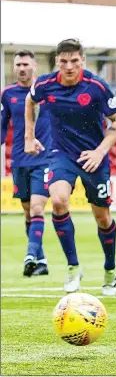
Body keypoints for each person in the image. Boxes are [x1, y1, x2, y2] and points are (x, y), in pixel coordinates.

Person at [24, 38, 116, 296]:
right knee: (58, 202)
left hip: (94, 156)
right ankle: (73, 267)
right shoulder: (46, 84)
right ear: (57, 62)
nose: (69, 66)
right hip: (61, 154)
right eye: (63, 61)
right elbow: (30, 100)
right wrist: (29, 135)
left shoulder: (96, 87)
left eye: (74, 61)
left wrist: (100, 151)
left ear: (83, 61)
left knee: (102, 217)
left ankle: (110, 270)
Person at [1, 50, 51, 277]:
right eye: (18, 64)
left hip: (44, 160)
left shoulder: (47, 91)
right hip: (20, 161)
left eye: (25, 64)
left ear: (35, 67)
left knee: (37, 208)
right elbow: (2, 126)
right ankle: (41, 261)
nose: (22, 68)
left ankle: (30, 256)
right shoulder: (7, 94)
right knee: (28, 213)